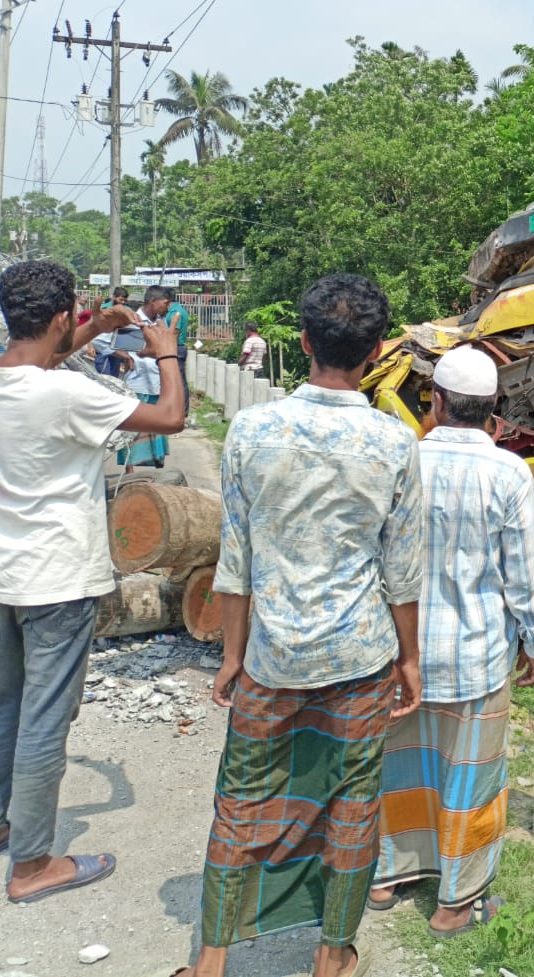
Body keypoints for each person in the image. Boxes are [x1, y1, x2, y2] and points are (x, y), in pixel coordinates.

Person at [177, 273, 424, 977]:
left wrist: (232, 654)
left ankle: (213, 958)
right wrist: (409, 660)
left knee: (240, 801)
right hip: (359, 658)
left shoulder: (252, 431)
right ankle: (331, 954)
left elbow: (237, 562)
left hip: (272, 656)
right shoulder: (393, 442)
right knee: (351, 805)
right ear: (377, 351)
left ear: (306, 341)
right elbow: (401, 574)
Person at [0, 261, 184, 902]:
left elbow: (36, 360)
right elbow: (169, 417)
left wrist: (91, 326)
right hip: (55, 580)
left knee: (3, 703)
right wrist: (167, 353)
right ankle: (31, 866)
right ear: (61, 315)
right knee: (46, 719)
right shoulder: (69, 396)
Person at [368, 345, 534, 937]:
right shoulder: (509, 472)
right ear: (493, 412)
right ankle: (454, 903)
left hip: (402, 654)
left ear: (437, 403)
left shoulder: (404, 460)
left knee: (399, 764)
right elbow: (524, 576)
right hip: (477, 655)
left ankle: (386, 877)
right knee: (470, 776)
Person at [115, 285, 173, 470]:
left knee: (158, 427)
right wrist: (126, 356)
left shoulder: (162, 323)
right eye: (165, 303)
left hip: (157, 381)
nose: (168, 307)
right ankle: (130, 471)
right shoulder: (135, 321)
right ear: (152, 301)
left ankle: (158, 468)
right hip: (138, 382)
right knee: (133, 429)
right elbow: (115, 346)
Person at [164, 287, 193, 420]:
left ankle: (182, 411)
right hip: (175, 347)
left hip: (176, 347)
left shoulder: (176, 312)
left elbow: (175, 333)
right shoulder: (174, 310)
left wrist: (168, 349)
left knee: (179, 381)